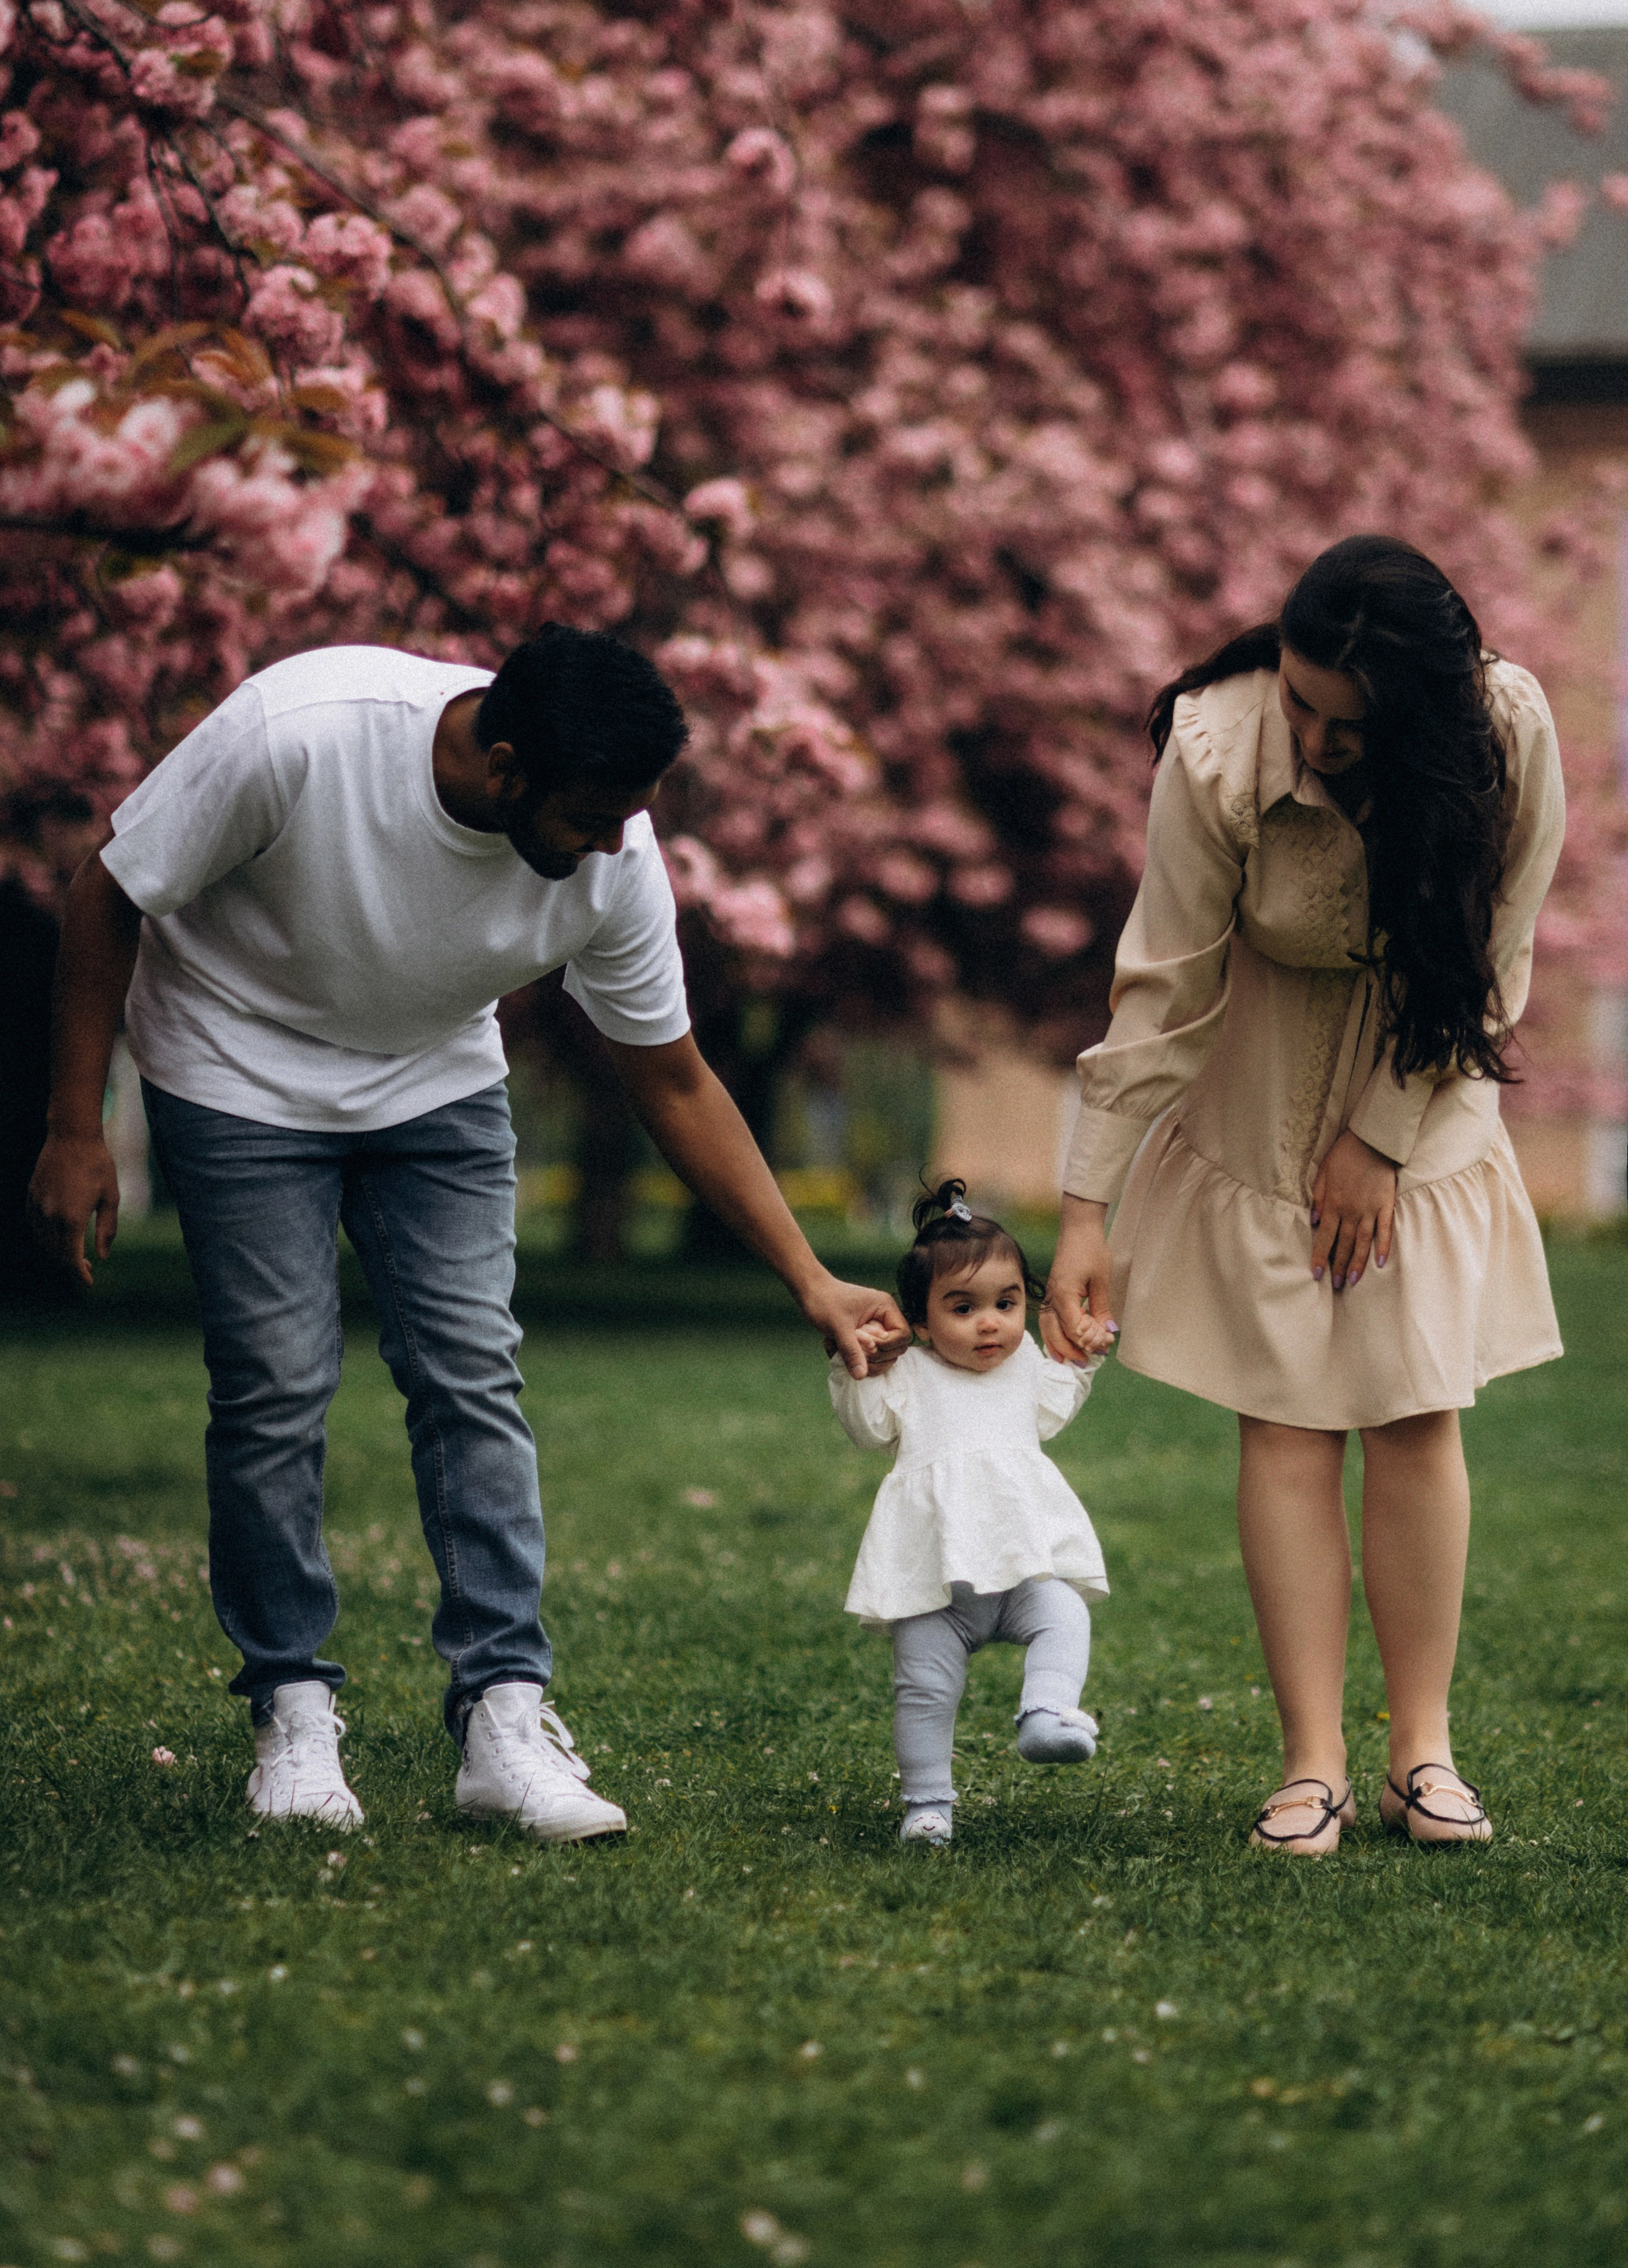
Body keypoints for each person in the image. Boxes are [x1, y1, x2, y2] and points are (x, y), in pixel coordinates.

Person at [29, 628, 907, 1843]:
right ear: (504, 772)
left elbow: (675, 1079)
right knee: (277, 1386)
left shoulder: (617, 854)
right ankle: (290, 1710)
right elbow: (108, 889)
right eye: (596, 814)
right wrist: (78, 1125)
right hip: (236, 1067)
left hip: (433, 1082)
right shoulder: (303, 734)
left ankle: (503, 1714)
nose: (617, 842)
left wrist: (807, 1275)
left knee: (471, 1374)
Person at [1042, 535, 1565, 1854]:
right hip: (1257, 1081)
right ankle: (1311, 1766)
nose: (1318, 737)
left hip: (1429, 1064)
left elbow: (1496, 956)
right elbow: (1157, 988)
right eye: (1299, 703)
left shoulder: (1505, 732)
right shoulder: (1213, 752)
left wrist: (1383, 1139)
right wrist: (1082, 1212)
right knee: (1280, 1418)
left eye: (1350, 720)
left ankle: (1420, 1757)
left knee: (1410, 1405)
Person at [828, 1179, 1112, 1847]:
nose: (990, 1322)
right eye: (963, 1307)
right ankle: (927, 1804)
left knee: (1066, 1615)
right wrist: (853, 1369)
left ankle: (1044, 1715)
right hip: (937, 1588)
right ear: (921, 1321)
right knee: (923, 1689)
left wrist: (1085, 1356)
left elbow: (1056, 1406)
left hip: (1020, 1575)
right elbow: (868, 1428)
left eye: (1006, 1303)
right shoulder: (910, 1374)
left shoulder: (1024, 1369)